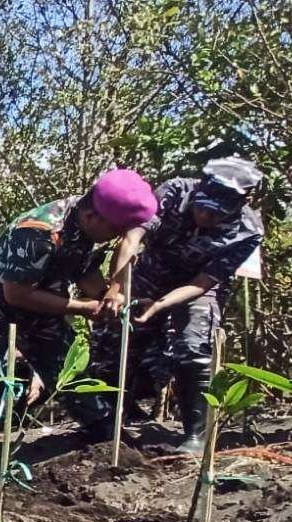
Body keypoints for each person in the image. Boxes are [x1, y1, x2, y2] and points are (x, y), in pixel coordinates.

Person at [0, 169, 159, 457]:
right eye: (114, 230)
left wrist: (107, 299)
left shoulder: (86, 225)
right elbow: (15, 293)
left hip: (44, 304)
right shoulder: (40, 230)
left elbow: (82, 270)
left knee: (69, 368)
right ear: (93, 216)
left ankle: (104, 432)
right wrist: (83, 308)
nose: (116, 237)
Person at [91, 156, 265, 453]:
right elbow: (133, 238)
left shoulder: (248, 230)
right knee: (116, 337)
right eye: (201, 208)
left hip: (196, 289)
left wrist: (159, 306)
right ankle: (105, 423)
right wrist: (117, 289)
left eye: (216, 215)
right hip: (147, 275)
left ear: (241, 203)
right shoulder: (174, 192)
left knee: (192, 346)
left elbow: (203, 282)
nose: (205, 218)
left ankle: (195, 435)